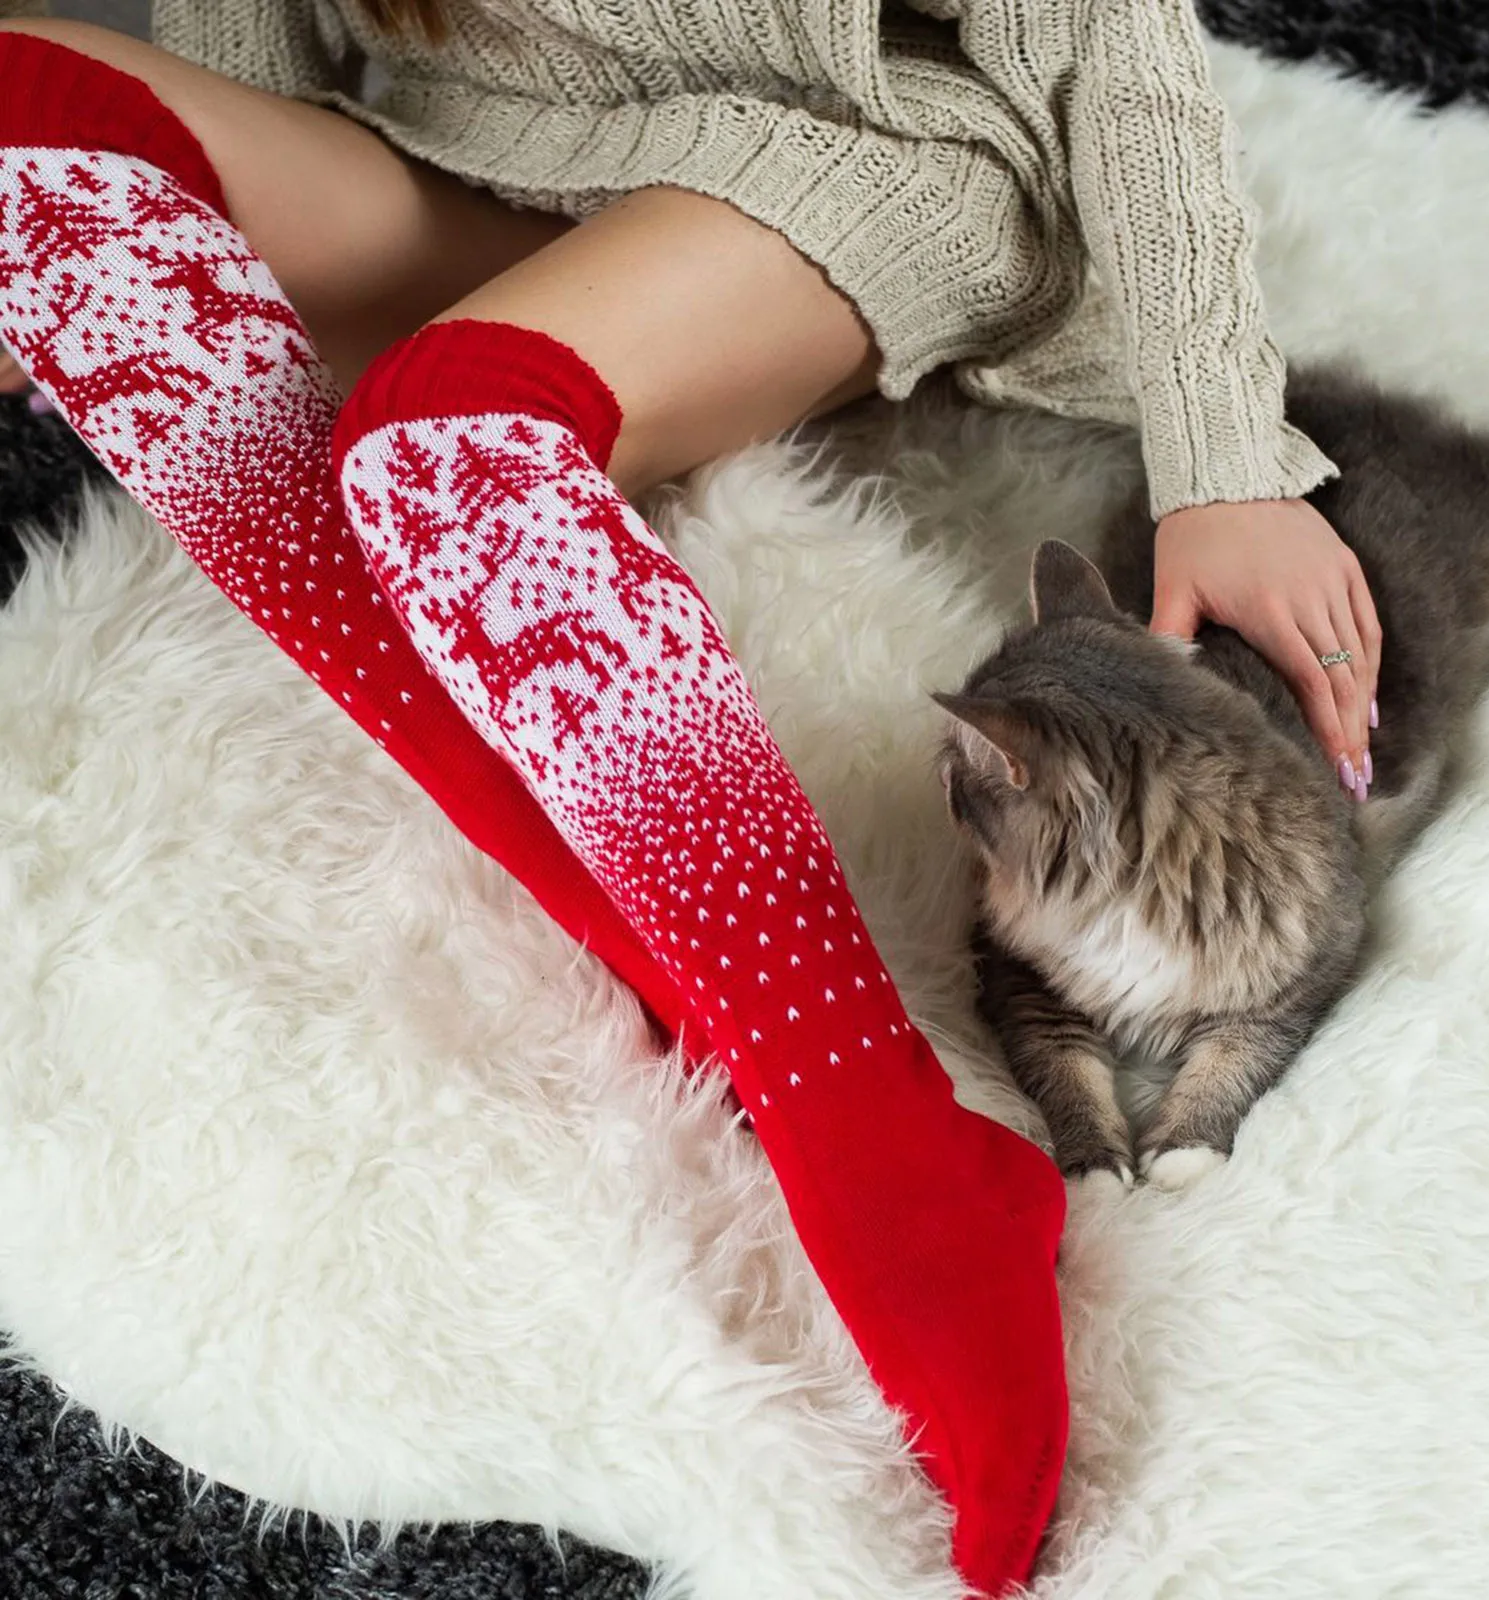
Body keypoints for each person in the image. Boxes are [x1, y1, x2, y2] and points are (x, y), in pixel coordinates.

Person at [0, 1, 1380, 1590]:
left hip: (842, 173)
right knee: (31, 110)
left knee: (444, 442)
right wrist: (192, 293)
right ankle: (666, 941)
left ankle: (869, 1124)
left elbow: (1107, 43)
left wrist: (1225, 463)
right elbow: (245, 53)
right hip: (468, 163)